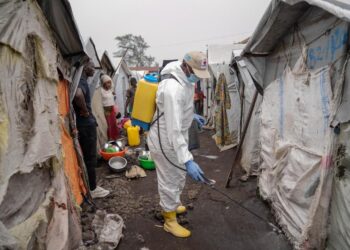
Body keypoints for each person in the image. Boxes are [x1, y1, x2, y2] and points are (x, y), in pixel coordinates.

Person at [147, 51, 210, 238]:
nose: (197, 78)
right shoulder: (172, 89)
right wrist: (188, 160)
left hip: (174, 134)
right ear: (186, 66)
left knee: (179, 173)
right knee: (170, 178)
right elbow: (173, 129)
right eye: (195, 73)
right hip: (164, 139)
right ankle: (169, 219)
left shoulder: (184, 78)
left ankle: (173, 204)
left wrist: (191, 116)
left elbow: (180, 110)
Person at [73, 60, 110, 199]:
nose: (94, 71)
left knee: (87, 157)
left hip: (83, 124)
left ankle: (89, 186)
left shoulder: (78, 79)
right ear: (86, 67)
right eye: (93, 68)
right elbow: (77, 95)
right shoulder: (81, 81)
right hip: (86, 125)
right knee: (90, 157)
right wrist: (85, 111)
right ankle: (93, 189)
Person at [100, 74, 120, 140]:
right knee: (109, 125)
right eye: (107, 83)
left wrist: (114, 96)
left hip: (112, 108)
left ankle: (115, 138)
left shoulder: (110, 90)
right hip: (106, 110)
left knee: (114, 124)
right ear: (103, 83)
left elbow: (113, 98)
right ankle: (110, 139)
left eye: (109, 82)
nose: (108, 84)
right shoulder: (101, 91)